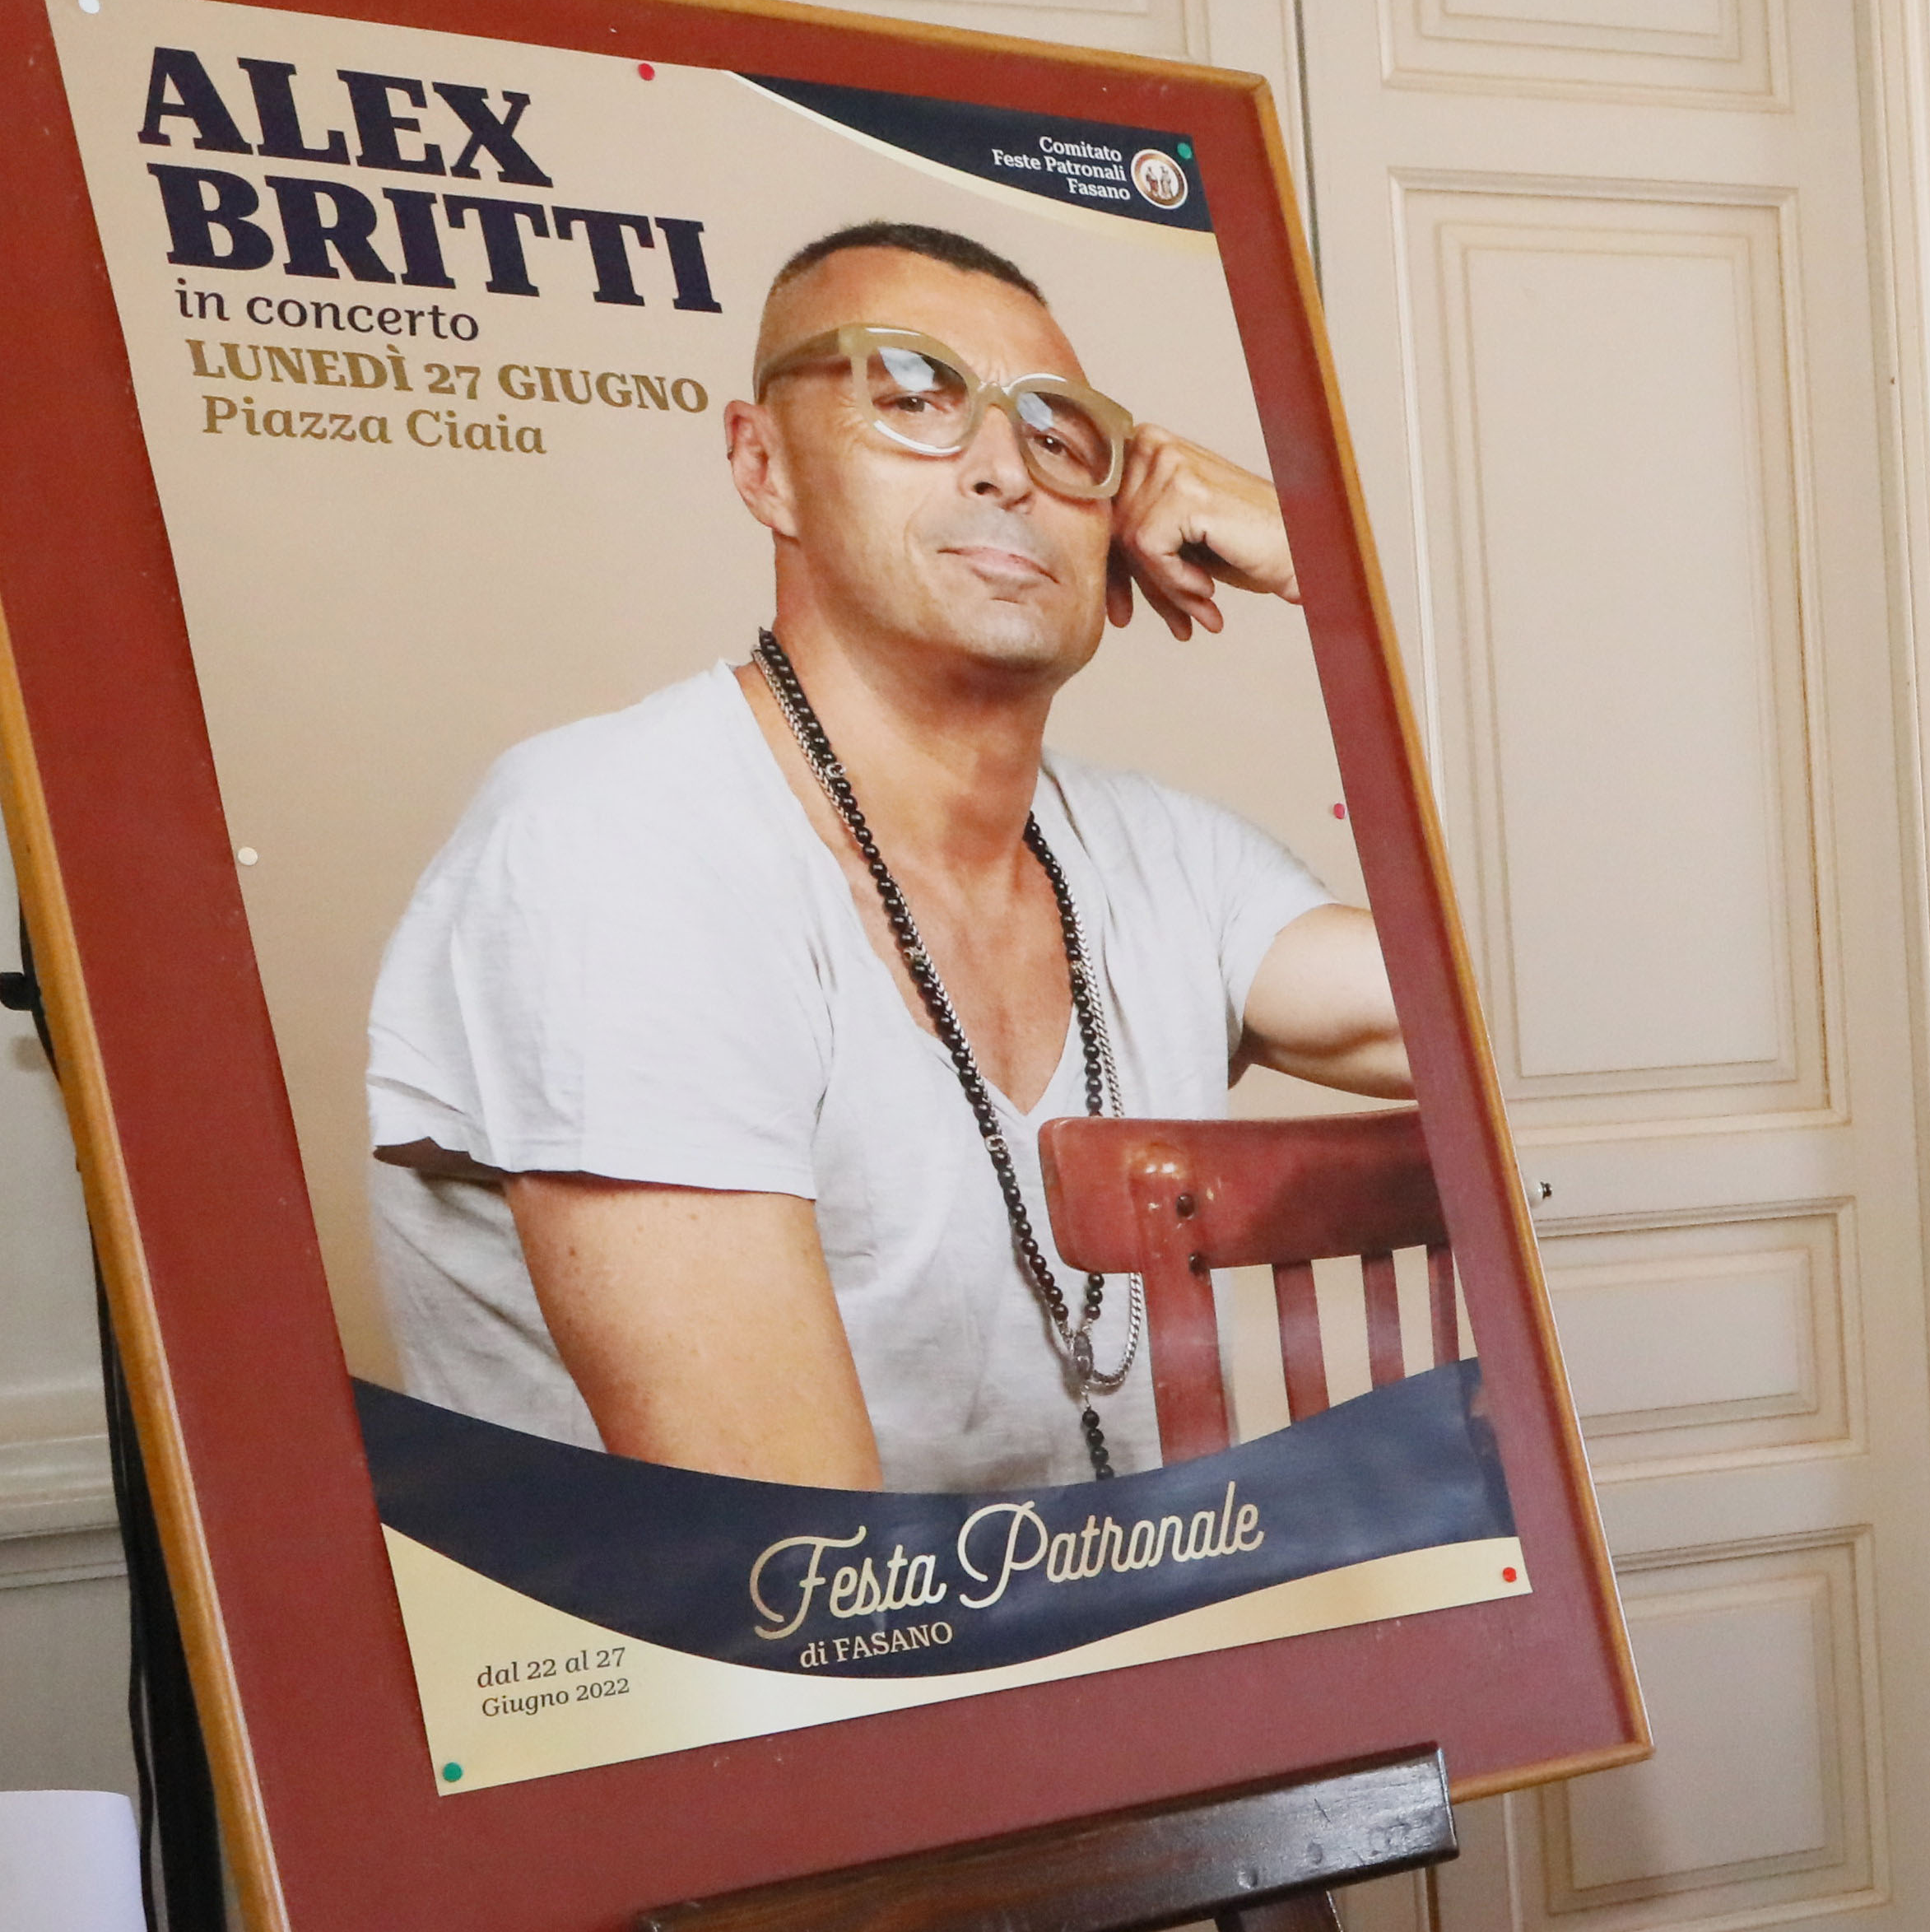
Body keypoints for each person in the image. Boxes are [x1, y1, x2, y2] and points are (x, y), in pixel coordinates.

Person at [368, 219, 1402, 1494]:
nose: (1004, 469)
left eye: (1060, 435)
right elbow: (790, 1555)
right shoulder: (616, 842)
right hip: (769, 1625)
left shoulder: (1169, 862)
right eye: (913, 397)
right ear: (764, 466)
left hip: (1123, 1612)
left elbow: (1501, 1032)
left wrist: (1326, 560)